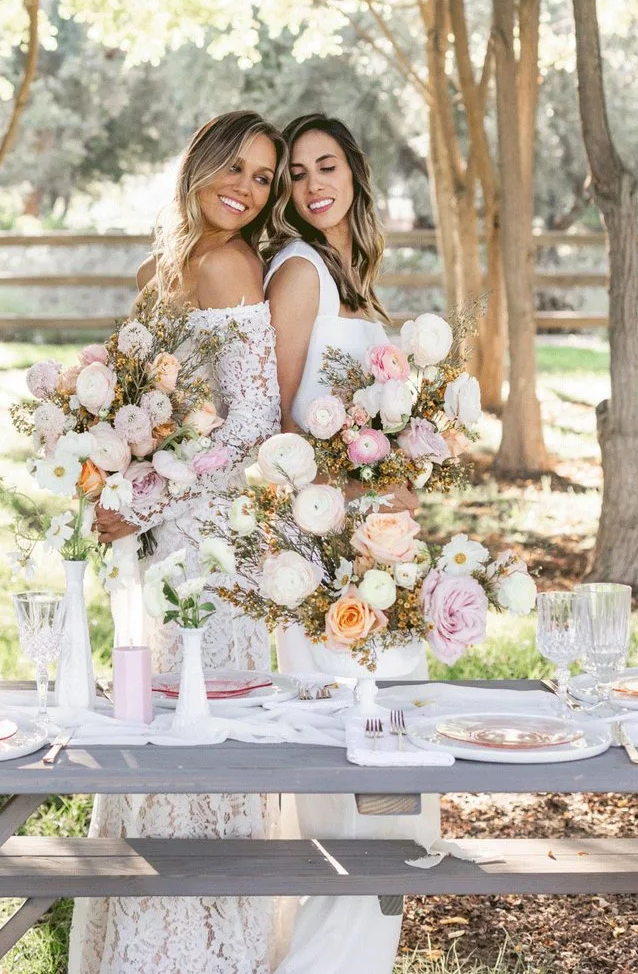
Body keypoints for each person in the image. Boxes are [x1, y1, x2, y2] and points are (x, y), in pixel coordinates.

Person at [70, 109, 285, 974]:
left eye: (264, 178)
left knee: (198, 740)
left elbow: (255, 424)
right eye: (235, 166)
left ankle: (199, 951)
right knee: (149, 737)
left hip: (207, 546)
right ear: (196, 162)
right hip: (154, 542)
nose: (247, 186)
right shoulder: (162, 268)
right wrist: (109, 479)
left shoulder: (232, 264)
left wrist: (148, 493)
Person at [262, 111, 437, 974]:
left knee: (398, 810)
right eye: (294, 175)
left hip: (381, 553)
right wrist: (366, 486)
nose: (311, 185)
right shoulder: (299, 274)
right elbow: (277, 432)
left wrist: (408, 468)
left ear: (354, 173)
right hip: (324, 563)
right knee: (350, 808)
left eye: (324, 166)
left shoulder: (356, 282)